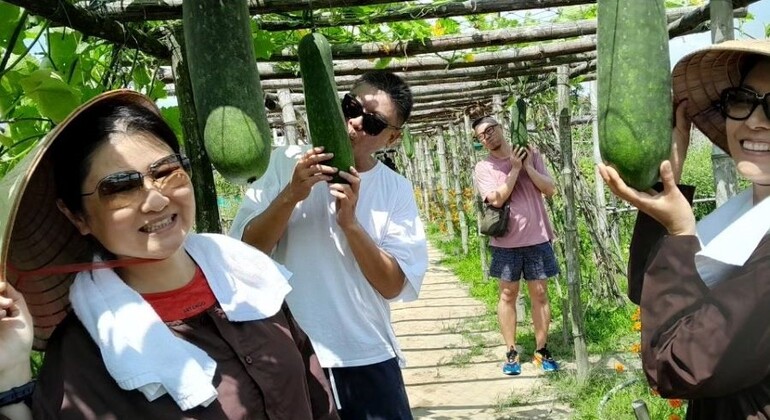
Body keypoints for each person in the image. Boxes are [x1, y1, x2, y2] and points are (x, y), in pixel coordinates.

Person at [0, 90, 338, 420]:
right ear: (77, 216)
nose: (157, 200)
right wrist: (11, 370)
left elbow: (317, 398)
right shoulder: (83, 352)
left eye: (166, 171)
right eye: (119, 187)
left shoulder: (249, 278)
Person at [229, 71, 428, 420]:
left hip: (365, 352)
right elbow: (245, 255)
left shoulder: (395, 190)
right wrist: (291, 195)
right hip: (293, 356)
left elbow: (393, 285)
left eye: (372, 123)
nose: (353, 123)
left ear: (392, 138)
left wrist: (350, 225)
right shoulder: (282, 162)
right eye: (350, 107)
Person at [598, 39, 770, 418]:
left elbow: (678, 365)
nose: (756, 120)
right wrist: (666, 190)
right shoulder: (745, 214)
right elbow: (648, 292)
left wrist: (680, 234)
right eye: (744, 99)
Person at [471, 115, 560, 376]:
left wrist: (527, 166)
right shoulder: (483, 168)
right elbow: (496, 200)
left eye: (490, 130)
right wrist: (514, 170)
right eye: (481, 136)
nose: (487, 136)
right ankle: (511, 350)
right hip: (506, 242)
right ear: (480, 142)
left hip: (538, 237)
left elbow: (550, 188)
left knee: (541, 294)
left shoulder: (531, 153)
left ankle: (542, 349)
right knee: (507, 295)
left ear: (501, 128)